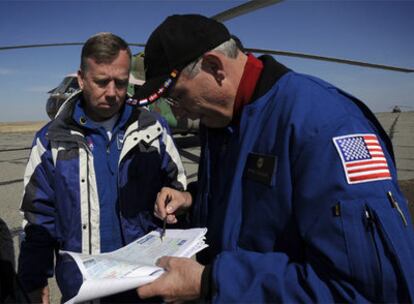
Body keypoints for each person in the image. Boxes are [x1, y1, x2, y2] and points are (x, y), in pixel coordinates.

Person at [134, 14, 414, 303]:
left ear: (215, 67)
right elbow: (248, 211)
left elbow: (368, 290)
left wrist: (212, 282)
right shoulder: (222, 122)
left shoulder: (327, 125)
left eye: (178, 97)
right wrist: (192, 201)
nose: (178, 113)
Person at [18, 32, 186, 303]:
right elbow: (37, 217)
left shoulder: (153, 129)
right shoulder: (51, 140)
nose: (112, 93)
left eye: (120, 83)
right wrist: (33, 280)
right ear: (81, 79)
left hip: (147, 287)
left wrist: (176, 199)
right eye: (101, 82)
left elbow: (178, 186)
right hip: (86, 290)